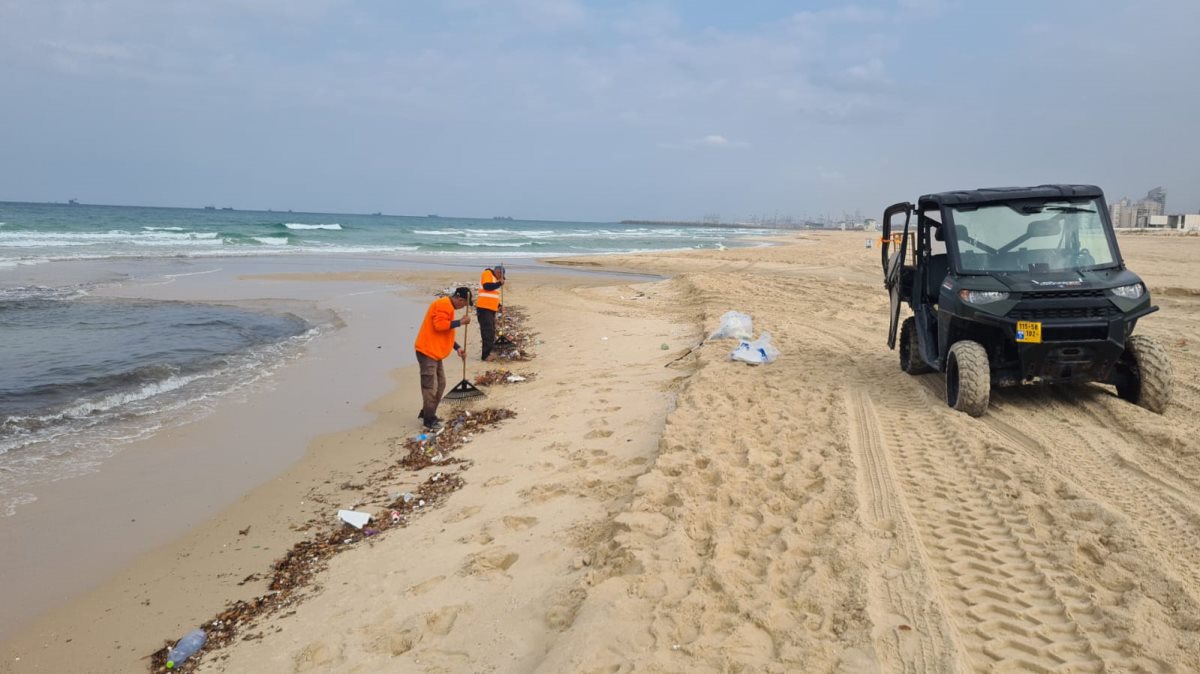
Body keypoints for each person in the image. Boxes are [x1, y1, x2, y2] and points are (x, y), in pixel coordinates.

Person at [414, 287, 471, 429]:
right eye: (463, 304)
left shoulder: (448, 307)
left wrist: (458, 348)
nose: (463, 307)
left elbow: (446, 332)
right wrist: (460, 322)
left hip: (435, 351)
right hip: (427, 351)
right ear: (459, 299)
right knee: (430, 387)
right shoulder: (443, 305)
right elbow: (439, 326)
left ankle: (427, 411)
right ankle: (429, 420)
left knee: (441, 384)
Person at [476, 264, 505, 361]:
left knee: (491, 331)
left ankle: (489, 352)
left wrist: (499, 306)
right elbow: (487, 287)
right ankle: (485, 355)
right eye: (501, 277)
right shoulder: (487, 273)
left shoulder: (494, 280)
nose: (501, 279)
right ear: (498, 272)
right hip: (484, 308)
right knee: (487, 331)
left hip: (491, 308)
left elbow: (492, 296)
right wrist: (499, 283)